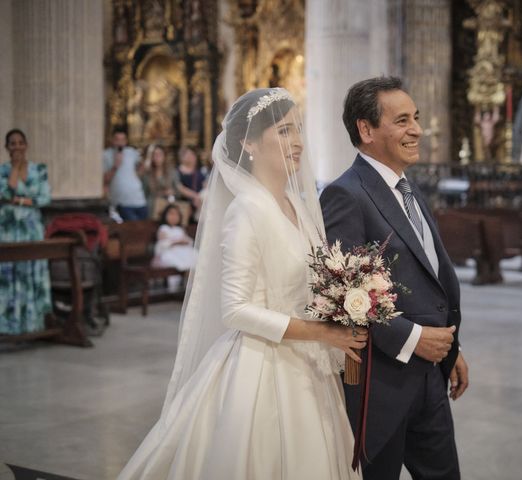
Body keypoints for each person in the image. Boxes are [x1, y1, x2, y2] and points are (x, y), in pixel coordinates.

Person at [118, 88, 363, 479]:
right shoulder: (247, 209)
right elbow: (235, 309)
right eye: (284, 131)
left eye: (298, 129)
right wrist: (321, 331)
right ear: (249, 143)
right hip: (264, 364)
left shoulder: (297, 204)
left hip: (309, 367)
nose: (298, 142)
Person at [321, 77, 468, 480]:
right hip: (380, 384)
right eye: (402, 120)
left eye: (416, 118)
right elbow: (344, 296)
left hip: (430, 376)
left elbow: (427, 274)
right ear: (365, 130)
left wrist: (450, 348)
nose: (417, 129)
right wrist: (416, 338)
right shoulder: (345, 195)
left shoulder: (410, 189)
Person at [0, 129, 52, 334]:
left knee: (31, 270)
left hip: (31, 228)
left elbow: (44, 198)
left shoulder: (39, 169)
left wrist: (19, 200)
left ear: (26, 145)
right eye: (12, 143)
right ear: (7, 148)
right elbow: (4, 193)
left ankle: (32, 324)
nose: (17, 147)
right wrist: (15, 168)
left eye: (20, 142)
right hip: (8, 229)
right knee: (10, 273)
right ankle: (9, 324)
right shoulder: (2, 170)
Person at [103, 127, 148, 221]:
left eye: (122, 140)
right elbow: (104, 180)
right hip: (122, 202)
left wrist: (143, 164)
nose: (120, 143)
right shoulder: (105, 155)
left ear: (126, 141)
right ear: (112, 140)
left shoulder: (132, 152)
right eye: (117, 140)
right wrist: (115, 166)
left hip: (139, 199)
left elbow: (141, 170)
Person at [152, 204, 196, 292]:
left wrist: (185, 241)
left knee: (194, 260)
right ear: (165, 216)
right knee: (179, 262)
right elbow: (162, 242)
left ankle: (190, 288)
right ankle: (174, 289)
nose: (174, 217)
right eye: (171, 214)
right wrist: (175, 242)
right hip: (170, 253)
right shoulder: (163, 228)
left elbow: (188, 240)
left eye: (176, 214)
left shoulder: (180, 229)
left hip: (183, 252)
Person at [141, 144, 175, 219]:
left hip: (168, 206)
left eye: (160, 154)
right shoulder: (147, 174)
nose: (157, 157)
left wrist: (171, 192)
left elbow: (177, 188)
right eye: (155, 155)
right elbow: (144, 192)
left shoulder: (171, 171)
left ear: (164, 156)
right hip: (151, 207)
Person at [174, 145, 206, 221]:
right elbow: (179, 187)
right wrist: (195, 196)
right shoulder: (177, 171)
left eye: (192, 155)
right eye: (188, 155)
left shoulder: (199, 172)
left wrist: (201, 197)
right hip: (183, 203)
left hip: (198, 204)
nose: (190, 157)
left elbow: (205, 185)